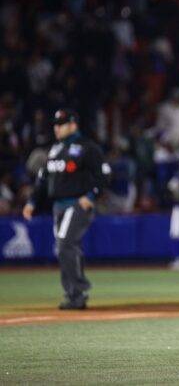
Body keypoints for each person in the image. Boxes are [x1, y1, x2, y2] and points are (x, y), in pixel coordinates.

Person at [22, 109, 111, 310]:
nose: (57, 128)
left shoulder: (87, 148)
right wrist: (32, 202)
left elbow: (104, 174)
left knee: (65, 245)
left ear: (73, 125)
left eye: (61, 124)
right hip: (58, 205)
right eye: (55, 124)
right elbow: (43, 179)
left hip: (76, 204)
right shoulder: (54, 150)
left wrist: (91, 196)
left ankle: (76, 293)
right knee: (69, 246)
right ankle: (74, 293)